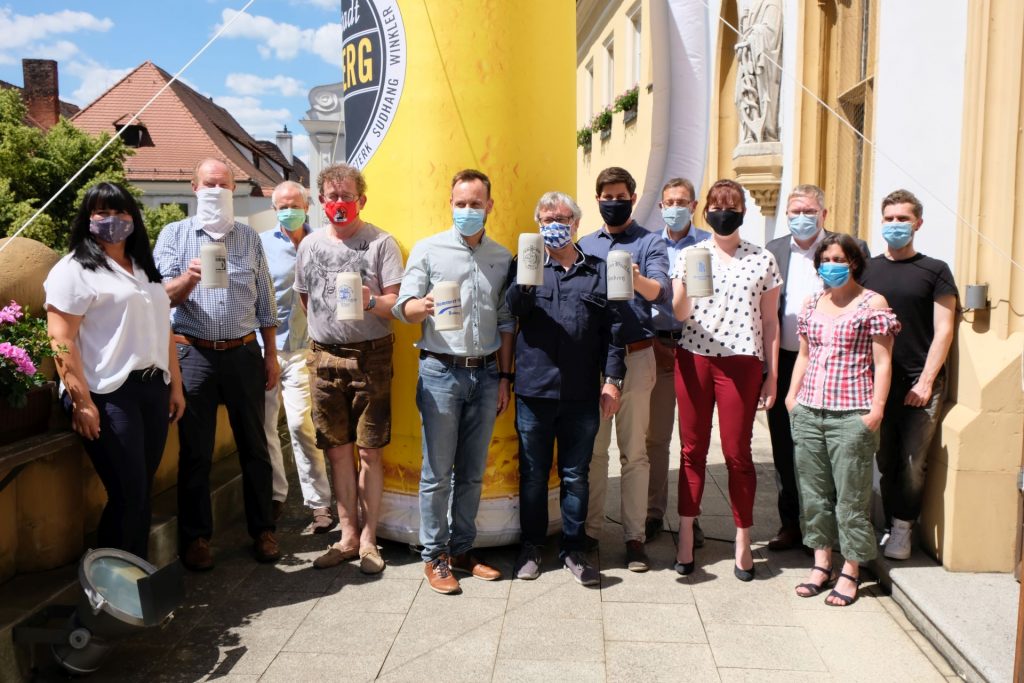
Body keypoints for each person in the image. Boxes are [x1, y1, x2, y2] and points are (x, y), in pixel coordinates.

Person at [45, 182, 186, 561]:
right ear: (87, 219)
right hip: (107, 394)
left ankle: (133, 586)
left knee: (141, 495)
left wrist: (176, 385)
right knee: (128, 494)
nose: (112, 221)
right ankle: (102, 596)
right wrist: (82, 402)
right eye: (101, 213)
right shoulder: (73, 270)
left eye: (121, 212)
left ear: (133, 218)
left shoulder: (142, 266)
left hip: (152, 389)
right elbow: (61, 339)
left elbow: (164, 326)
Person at [153, 158, 280, 570]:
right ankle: (196, 539)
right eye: (210, 184)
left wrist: (271, 354)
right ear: (194, 187)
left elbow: (266, 299)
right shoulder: (174, 235)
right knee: (196, 451)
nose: (217, 191)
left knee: (255, 446)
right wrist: (189, 277)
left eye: (224, 185)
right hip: (194, 353)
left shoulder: (247, 236)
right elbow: (160, 298)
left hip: (243, 351)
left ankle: (263, 529)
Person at [393, 169, 515, 594]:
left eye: (475, 204)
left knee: (472, 473)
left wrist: (504, 376)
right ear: (451, 204)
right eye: (461, 203)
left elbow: (505, 321)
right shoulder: (428, 250)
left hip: (484, 373)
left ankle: (462, 549)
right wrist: (418, 307)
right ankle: (434, 556)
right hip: (441, 372)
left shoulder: (501, 256)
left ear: (489, 206)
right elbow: (401, 307)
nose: (467, 210)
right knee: (437, 472)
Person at [507, 191, 623, 586]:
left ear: (575, 223)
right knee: (534, 474)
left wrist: (612, 381)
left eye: (561, 218)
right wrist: (527, 273)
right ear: (538, 224)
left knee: (576, 475)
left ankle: (574, 548)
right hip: (534, 391)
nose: (553, 224)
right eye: (545, 218)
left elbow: (614, 332)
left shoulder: (598, 269)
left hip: (581, 393)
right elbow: (514, 311)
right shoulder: (524, 263)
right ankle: (532, 547)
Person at [295, 163, 404, 574]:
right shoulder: (309, 245)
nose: (339, 203)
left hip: (370, 357)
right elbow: (306, 299)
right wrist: (330, 334)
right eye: (331, 196)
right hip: (324, 357)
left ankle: (371, 542)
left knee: (369, 452)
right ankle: (347, 536)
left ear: (361, 199)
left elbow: (397, 305)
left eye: (347, 196)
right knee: (336, 451)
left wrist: (370, 299)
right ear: (321, 202)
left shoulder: (381, 243)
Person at [671, 178, 781, 581]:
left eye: (730, 205)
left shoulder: (762, 259)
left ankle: (742, 538)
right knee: (691, 450)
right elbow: (680, 314)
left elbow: (770, 324)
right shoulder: (690, 255)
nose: (723, 211)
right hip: (695, 358)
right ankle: (685, 533)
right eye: (716, 205)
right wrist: (685, 292)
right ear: (706, 212)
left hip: (741, 363)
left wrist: (771, 377)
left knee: (738, 454)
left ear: (743, 212)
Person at [786, 233, 900, 606]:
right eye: (825, 258)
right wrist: (792, 398)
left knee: (851, 499)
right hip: (809, 411)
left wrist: (877, 408)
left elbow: (883, 362)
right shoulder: (812, 302)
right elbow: (804, 354)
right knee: (814, 494)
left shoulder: (873, 304)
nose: (831, 265)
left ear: (854, 262)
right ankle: (822, 564)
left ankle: (851, 569)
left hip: (851, 414)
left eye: (839, 258)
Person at [764, 185, 869, 551]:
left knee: (827, 451)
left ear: (823, 214)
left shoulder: (844, 249)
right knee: (784, 447)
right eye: (794, 211)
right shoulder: (774, 250)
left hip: (832, 363)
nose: (800, 217)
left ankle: (830, 531)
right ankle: (791, 523)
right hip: (786, 360)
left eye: (808, 210)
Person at [578, 166, 670, 572]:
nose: (612, 202)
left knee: (634, 453)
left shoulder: (649, 242)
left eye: (620, 196)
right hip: (593, 361)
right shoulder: (584, 244)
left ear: (633, 198)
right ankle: (591, 532)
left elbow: (660, 291)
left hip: (635, 355)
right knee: (594, 453)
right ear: (596, 199)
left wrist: (635, 278)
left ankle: (634, 537)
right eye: (606, 196)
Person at [862, 189, 957, 560]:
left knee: (913, 463)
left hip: (920, 382)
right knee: (885, 461)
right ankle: (891, 525)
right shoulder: (868, 270)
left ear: (918, 223)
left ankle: (904, 527)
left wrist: (926, 381)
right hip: (877, 383)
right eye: (889, 219)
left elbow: (944, 329)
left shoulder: (934, 270)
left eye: (903, 219)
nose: (895, 225)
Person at [259, 181, 333, 534]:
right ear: (274, 209)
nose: (289, 210)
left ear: (307, 206)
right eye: (282, 205)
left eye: (295, 203)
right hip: (265, 349)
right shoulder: (259, 244)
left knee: (302, 426)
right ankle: (275, 496)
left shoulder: (319, 243)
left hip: (304, 347)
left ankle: (319, 504)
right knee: (265, 427)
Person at [646, 178, 710, 548]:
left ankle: (691, 517)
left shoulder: (707, 246)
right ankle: (654, 513)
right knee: (656, 439)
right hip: (656, 348)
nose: (674, 207)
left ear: (694, 205)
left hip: (697, 348)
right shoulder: (650, 243)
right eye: (669, 201)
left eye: (681, 201)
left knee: (694, 440)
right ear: (660, 207)